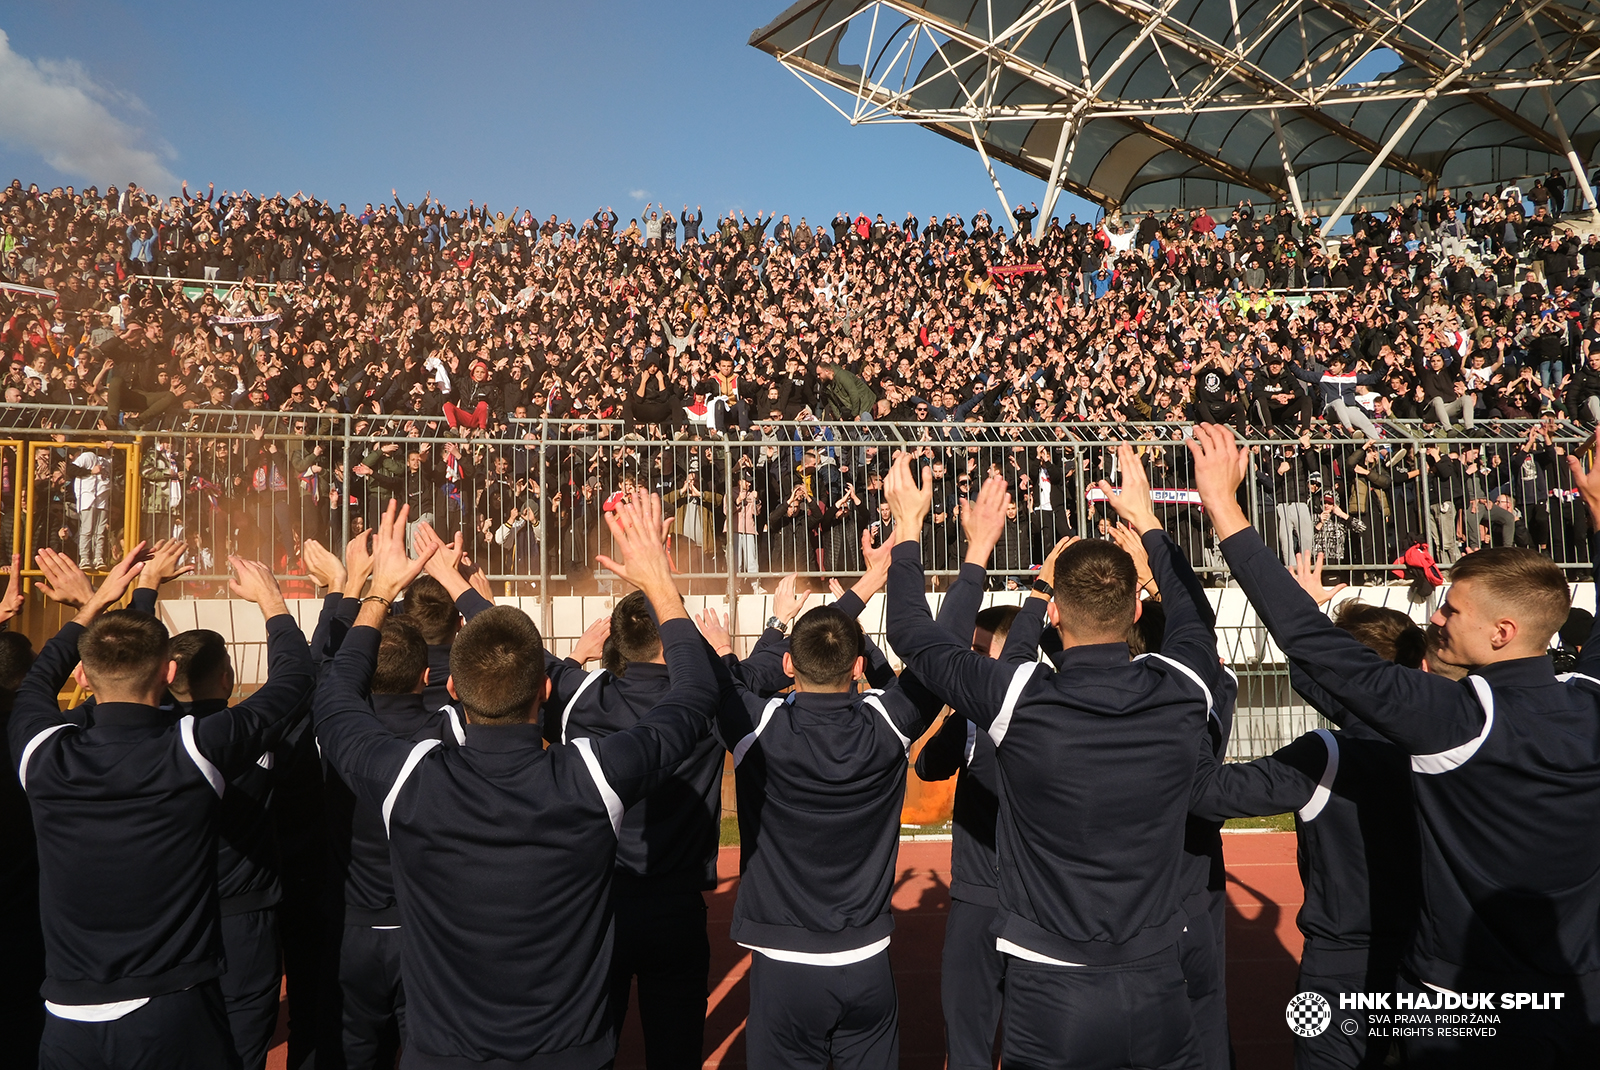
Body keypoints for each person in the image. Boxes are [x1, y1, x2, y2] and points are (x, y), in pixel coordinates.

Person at [1187, 421, 1600, 1066]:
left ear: (1502, 632)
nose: (1434, 617)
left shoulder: (1460, 719)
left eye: (1451, 610)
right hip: (1574, 996)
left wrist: (1224, 507)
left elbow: (1311, 646)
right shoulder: (1588, 697)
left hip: (1459, 1000)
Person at [310, 498, 718, 1068]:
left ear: (453, 688)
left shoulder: (409, 778)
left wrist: (373, 593)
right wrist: (660, 583)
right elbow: (696, 696)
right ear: (545, 694)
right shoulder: (593, 777)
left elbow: (332, 701)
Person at [883, 448, 1232, 1070]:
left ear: (1054, 615)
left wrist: (910, 528)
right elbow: (1193, 622)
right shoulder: (1183, 687)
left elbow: (911, 632)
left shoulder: (1018, 696)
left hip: (1051, 993)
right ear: (1133, 612)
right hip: (1158, 978)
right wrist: (1151, 526)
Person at [12, 544, 314, 1070]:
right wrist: (272, 603)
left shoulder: (43, 753)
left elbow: (37, 682)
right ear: (167, 672)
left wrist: (98, 603)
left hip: (67, 1014)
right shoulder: (194, 750)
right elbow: (294, 683)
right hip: (171, 1010)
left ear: (83, 673)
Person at [711, 529, 944, 1070]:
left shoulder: (760, 727)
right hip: (866, 963)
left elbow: (728, 680)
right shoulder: (887, 726)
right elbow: (937, 658)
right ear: (860, 666)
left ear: (790, 666)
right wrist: (885, 573)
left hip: (785, 967)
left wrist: (751, 638)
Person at [1191, 568, 1424, 1070]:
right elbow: (1320, 681)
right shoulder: (1447, 731)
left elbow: (1205, 793)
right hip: (1428, 956)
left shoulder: (1330, 754)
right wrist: (1311, 616)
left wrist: (1206, 696)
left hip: (1341, 965)